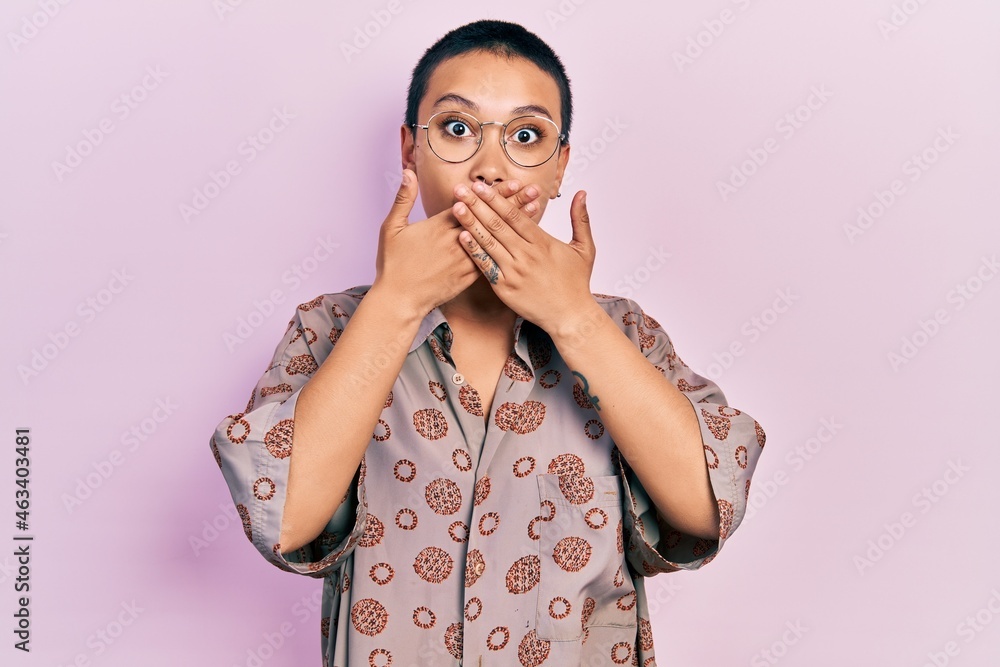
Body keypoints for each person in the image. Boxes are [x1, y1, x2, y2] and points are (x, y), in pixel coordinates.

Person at [210, 19, 765, 667]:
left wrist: (575, 320)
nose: (490, 169)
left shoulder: (625, 332)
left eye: (526, 136)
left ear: (559, 167)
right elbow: (282, 518)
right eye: (456, 129)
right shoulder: (327, 328)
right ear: (408, 151)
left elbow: (707, 507)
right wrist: (395, 304)